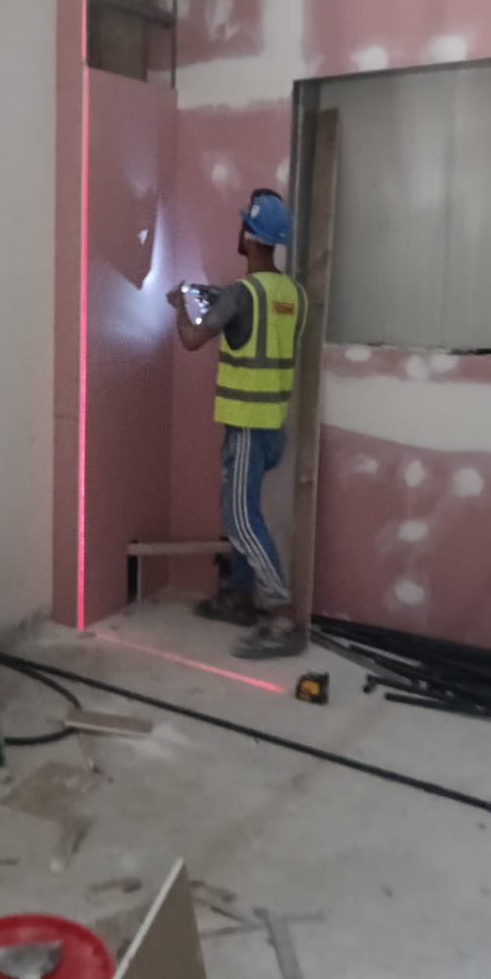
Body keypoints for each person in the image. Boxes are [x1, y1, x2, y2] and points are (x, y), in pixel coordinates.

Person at [167, 189, 307, 659]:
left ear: (248, 236)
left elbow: (192, 339)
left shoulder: (241, 295)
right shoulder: (294, 296)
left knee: (241, 519)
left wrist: (180, 305)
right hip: (272, 426)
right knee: (240, 509)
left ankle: (283, 617)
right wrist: (216, 301)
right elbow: (258, 330)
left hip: (246, 424)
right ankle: (239, 598)